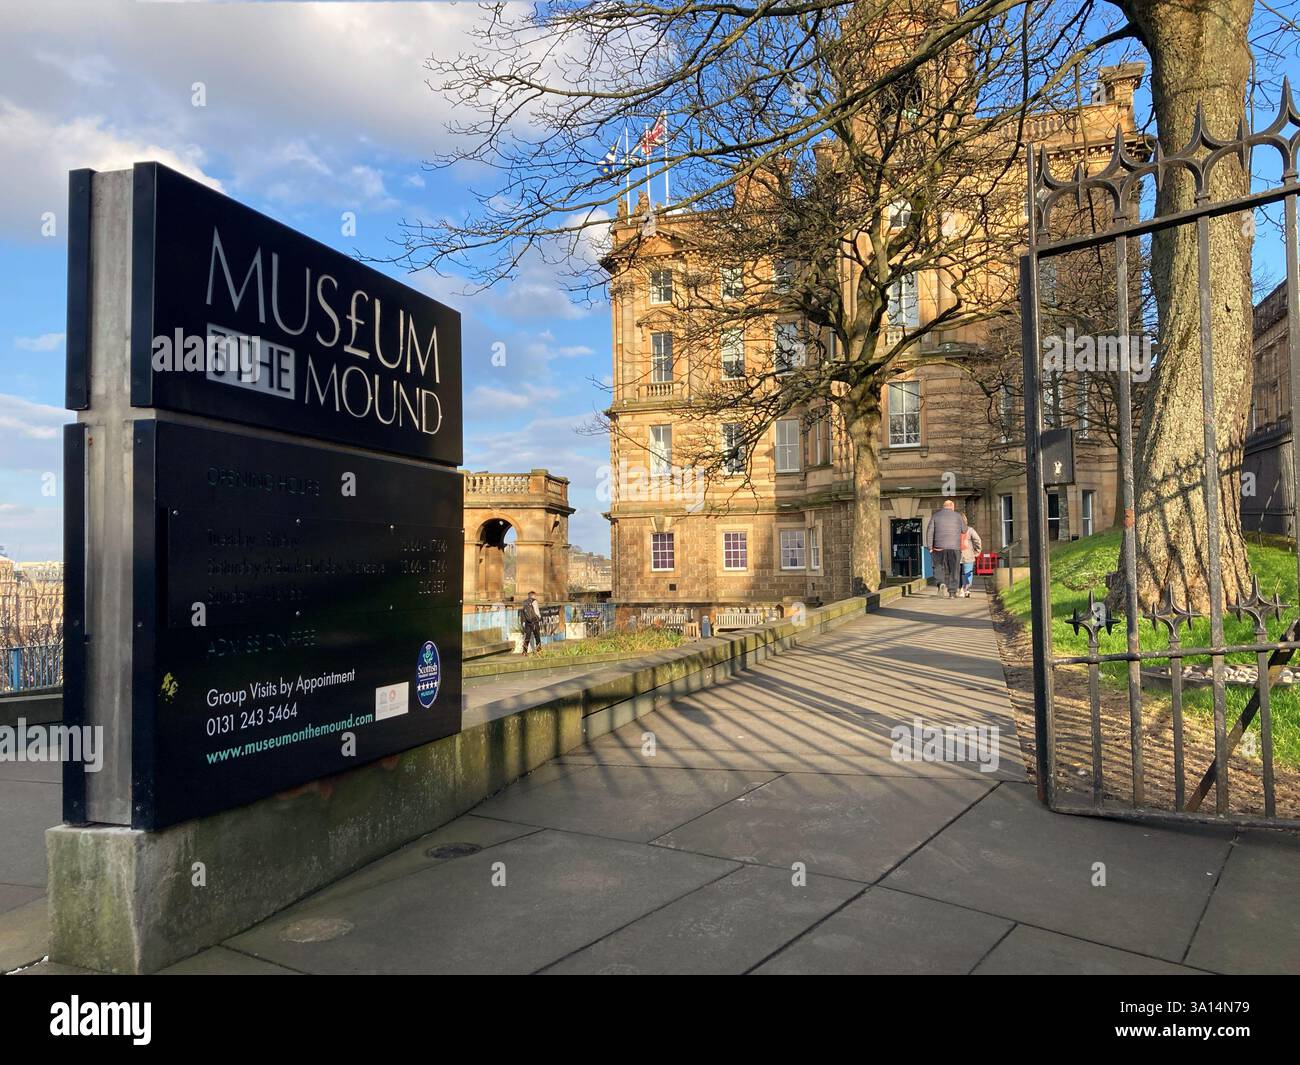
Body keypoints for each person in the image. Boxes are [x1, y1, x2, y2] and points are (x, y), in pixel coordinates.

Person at [925, 499, 967, 599]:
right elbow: (964, 530)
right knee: (954, 570)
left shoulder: (936, 516)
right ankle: (952, 592)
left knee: (938, 567)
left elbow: (929, 531)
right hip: (954, 547)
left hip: (938, 547)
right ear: (952, 507)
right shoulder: (957, 516)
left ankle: (940, 583)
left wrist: (930, 547)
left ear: (943, 506)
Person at [959, 513, 983, 598]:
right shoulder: (970, 530)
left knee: (959, 574)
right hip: (968, 555)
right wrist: (977, 551)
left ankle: (962, 589)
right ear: (966, 521)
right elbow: (978, 540)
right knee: (968, 573)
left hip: (957, 555)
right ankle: (966, 589)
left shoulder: (954, 531)